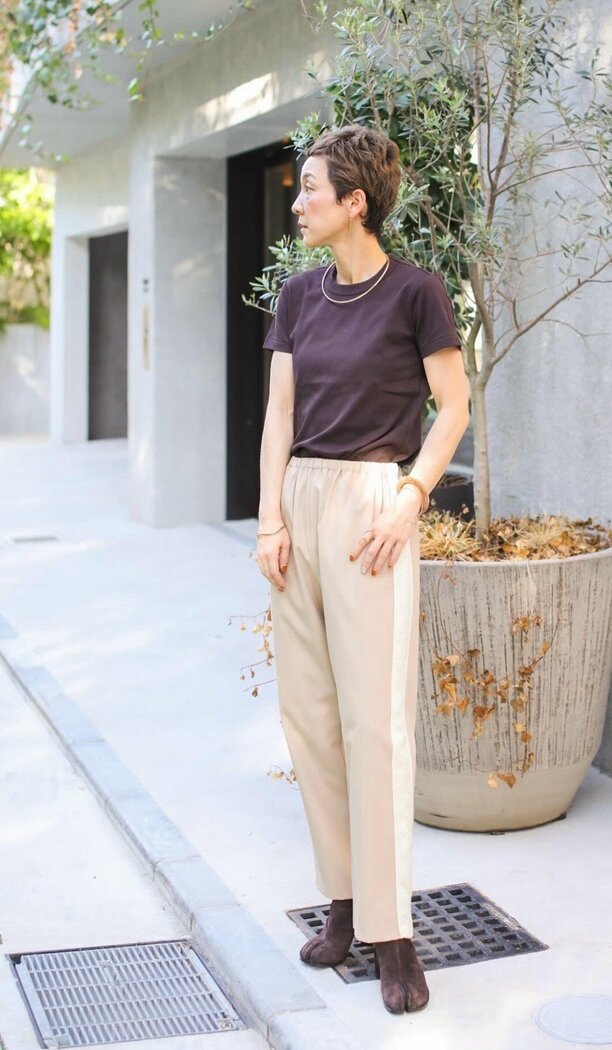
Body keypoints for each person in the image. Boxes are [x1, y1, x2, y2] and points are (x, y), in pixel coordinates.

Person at [256, 123, 470, 1014]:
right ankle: (342, 905)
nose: (297, 201)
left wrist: (412, 497)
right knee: (310, 719)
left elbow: (453, 405)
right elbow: (280, 415)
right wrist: (269, 519)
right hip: (300, 503)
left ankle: (395, 935)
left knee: (375, 723)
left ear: (354, 202)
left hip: (373, 506)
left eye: (310, 188)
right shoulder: (298, 296)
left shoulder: (417, 292)